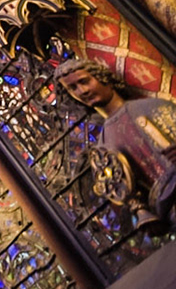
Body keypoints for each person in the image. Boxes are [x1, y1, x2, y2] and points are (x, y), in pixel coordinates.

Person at [56, 57, 176, 225]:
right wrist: (140, 211)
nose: (82, 91)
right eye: (72, 88)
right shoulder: (103, 148)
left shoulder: (151, 107)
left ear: (102, 77)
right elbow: (125, 193)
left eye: (84, 81)